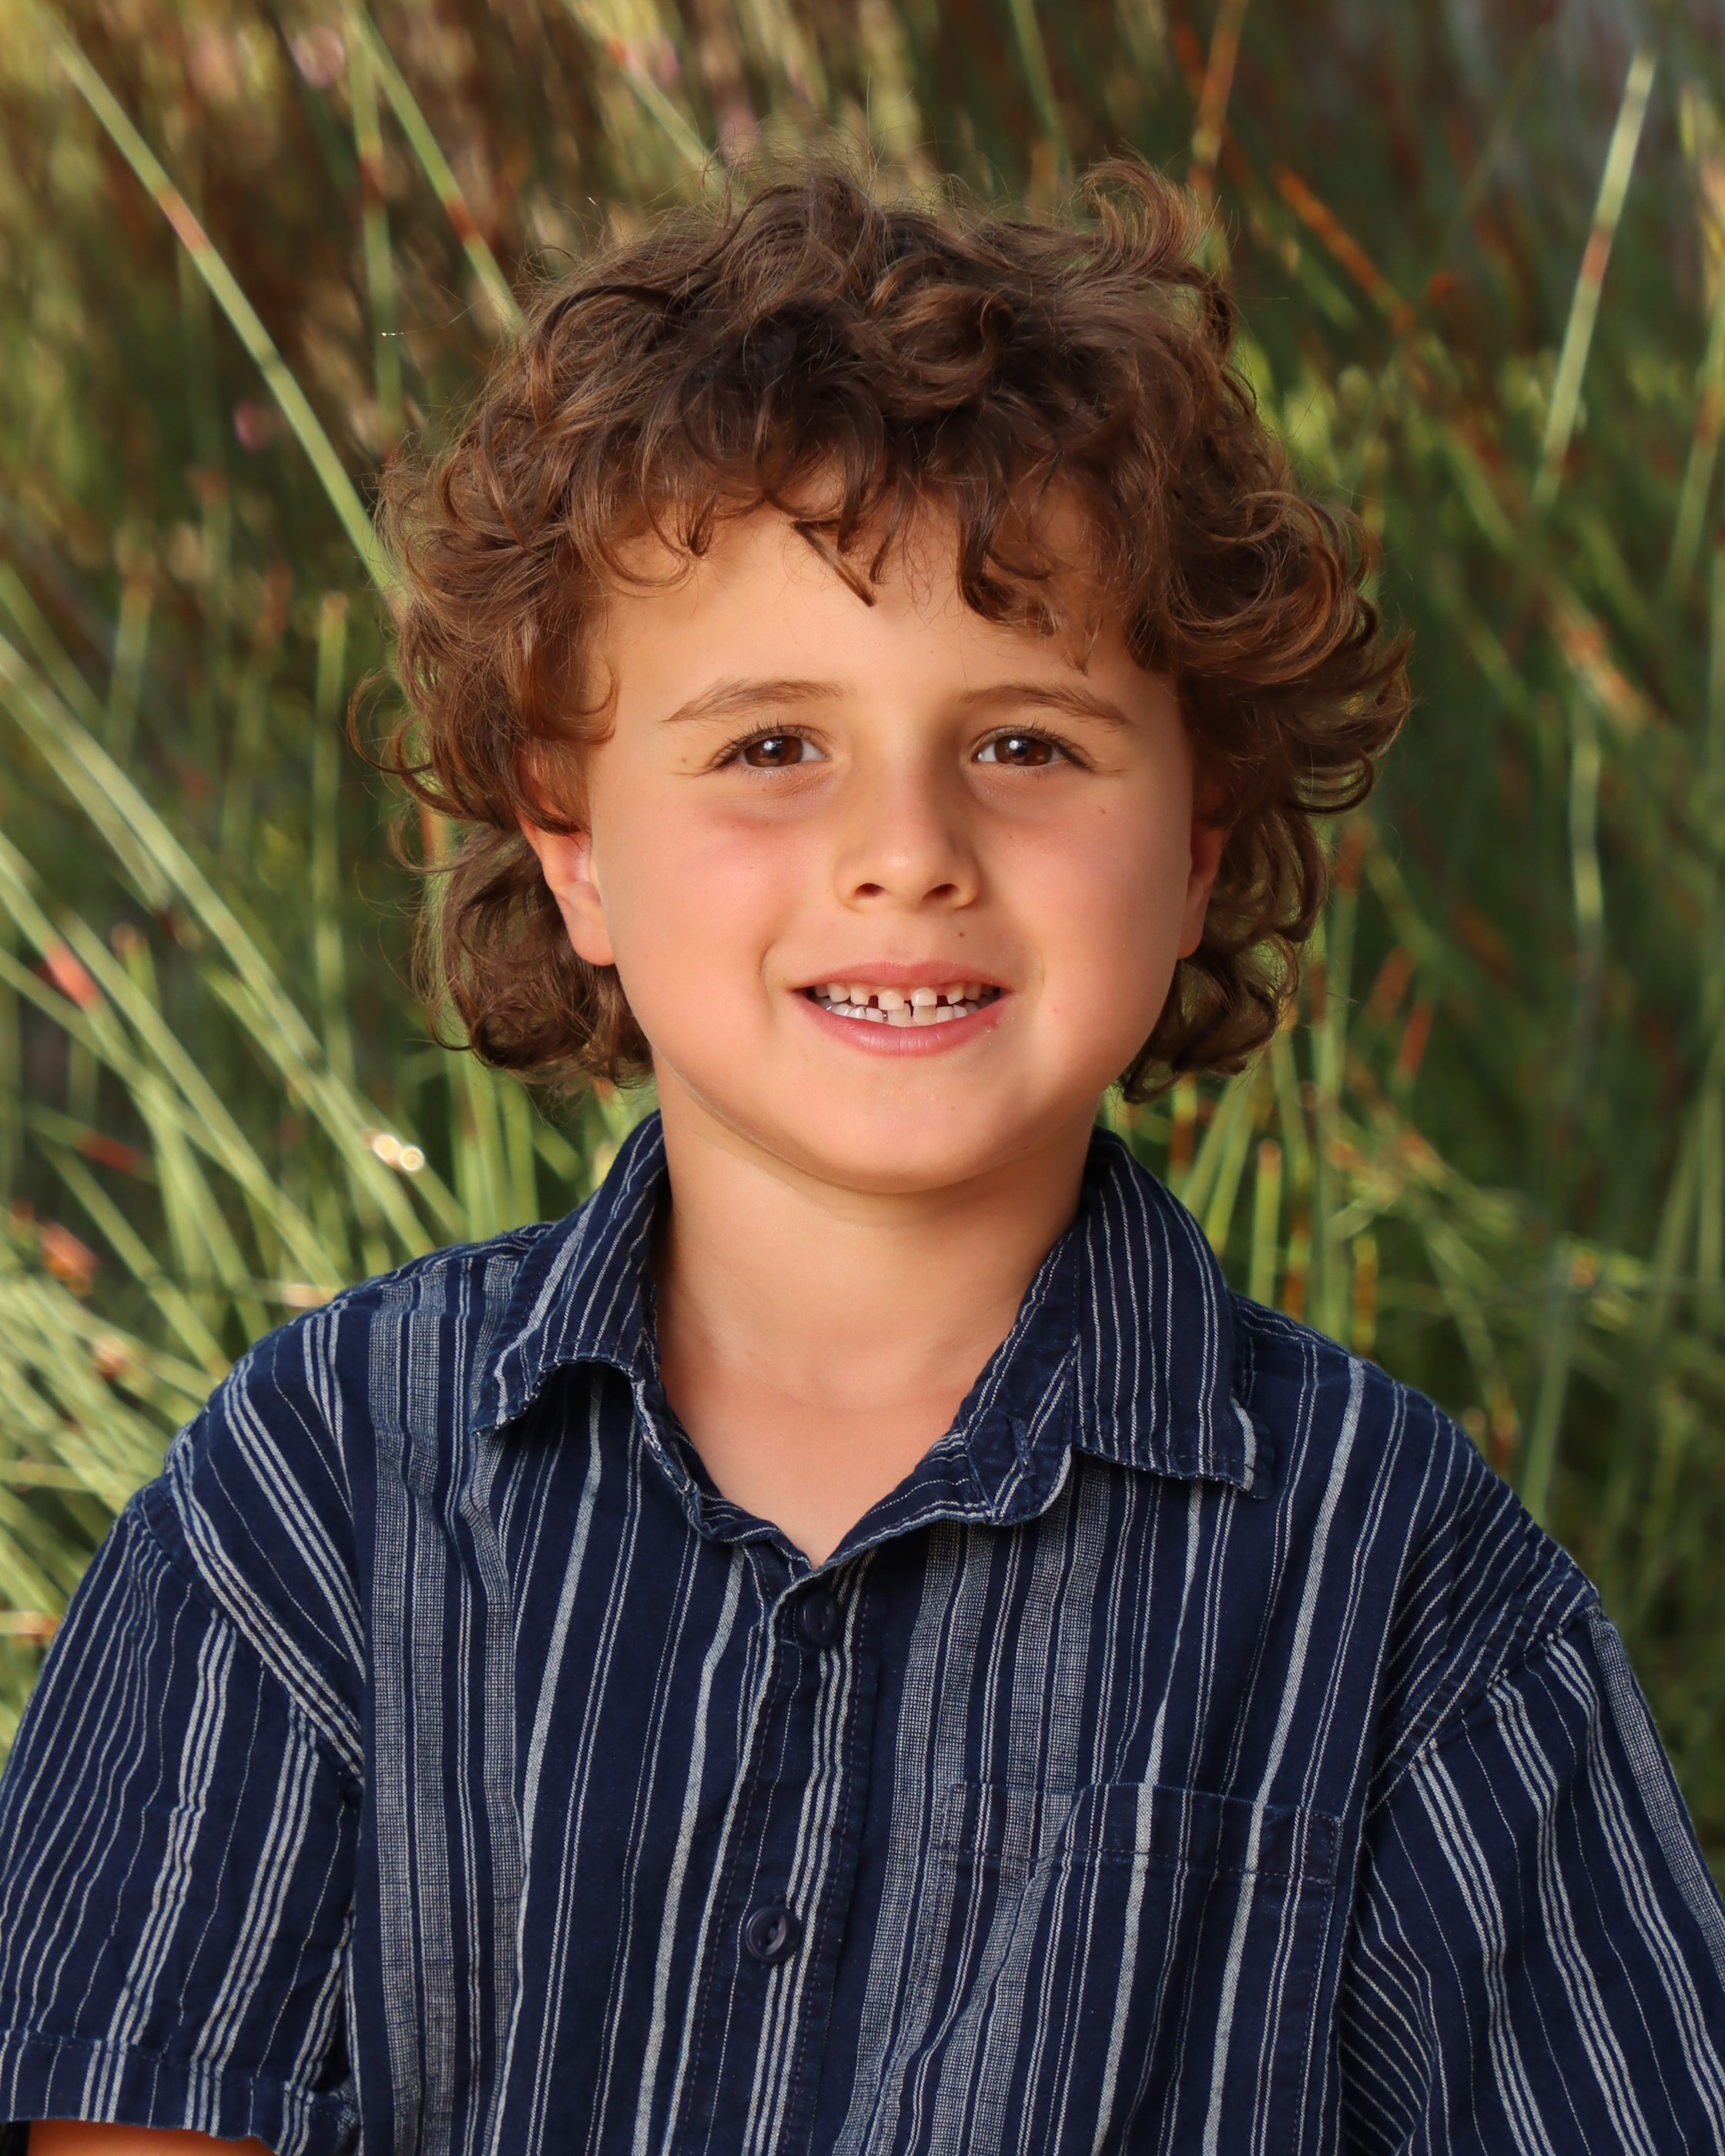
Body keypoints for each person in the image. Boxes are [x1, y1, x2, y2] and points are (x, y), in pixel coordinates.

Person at [3, 156, 1723, 2156]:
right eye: (771, 748)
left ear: (1200, 849)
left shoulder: (1399, 1577)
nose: (906, 850)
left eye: (1025, 744)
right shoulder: (320, 1491)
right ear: (573, 843)